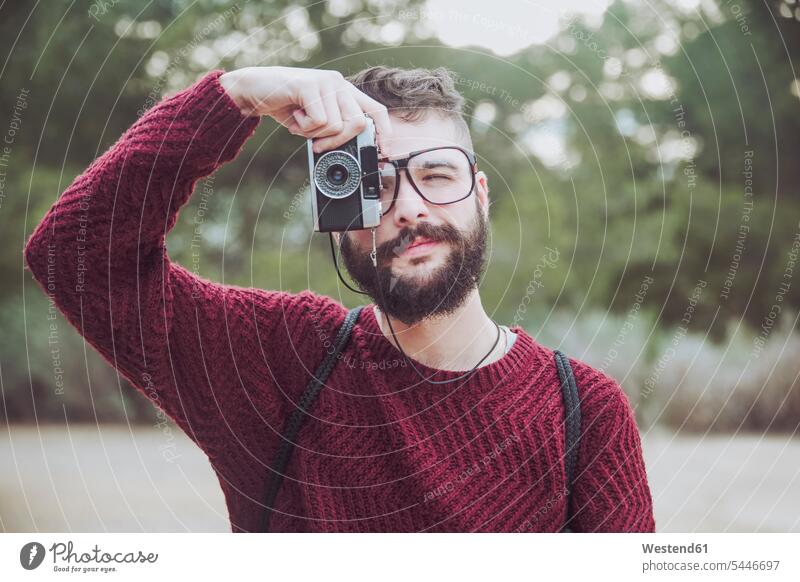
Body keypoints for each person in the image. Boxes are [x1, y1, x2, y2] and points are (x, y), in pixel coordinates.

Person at [23, 64, 656, 532]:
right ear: (335, 210)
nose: (408, 207)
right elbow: (72, 256)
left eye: (437, 174)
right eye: (372, 183)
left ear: (480, 195)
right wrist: (233, 98)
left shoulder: (583, 413)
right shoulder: (279, 359)